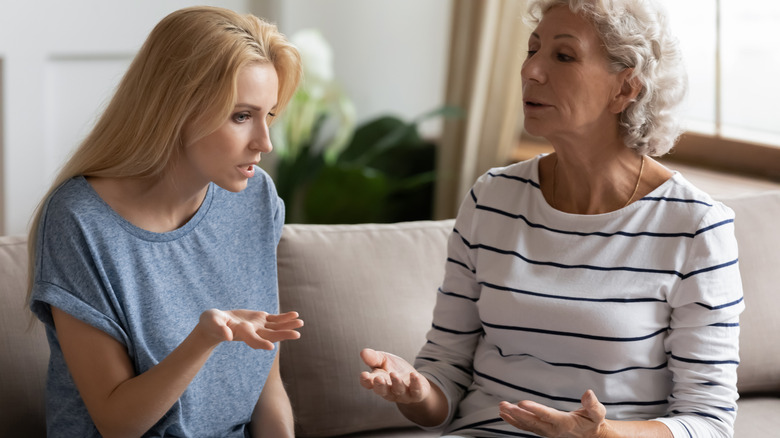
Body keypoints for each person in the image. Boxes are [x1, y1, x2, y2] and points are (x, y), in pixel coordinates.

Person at [359, 0, 743, 437]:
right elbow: (444, 376)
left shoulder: (695, 227)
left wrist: (600, 435)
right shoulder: (493, 198)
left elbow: (709, 423)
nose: (531, 71)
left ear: (625, 89)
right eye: (532, 50)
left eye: (563, 56)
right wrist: (416, 390)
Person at [26, 6, 304, 437]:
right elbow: (118, 423)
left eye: (268, 115)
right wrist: (203, 340)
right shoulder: (78, 221)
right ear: (177, 108)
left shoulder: (256, 197)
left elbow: (267, 388)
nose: (264, 142)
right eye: (241, 116)